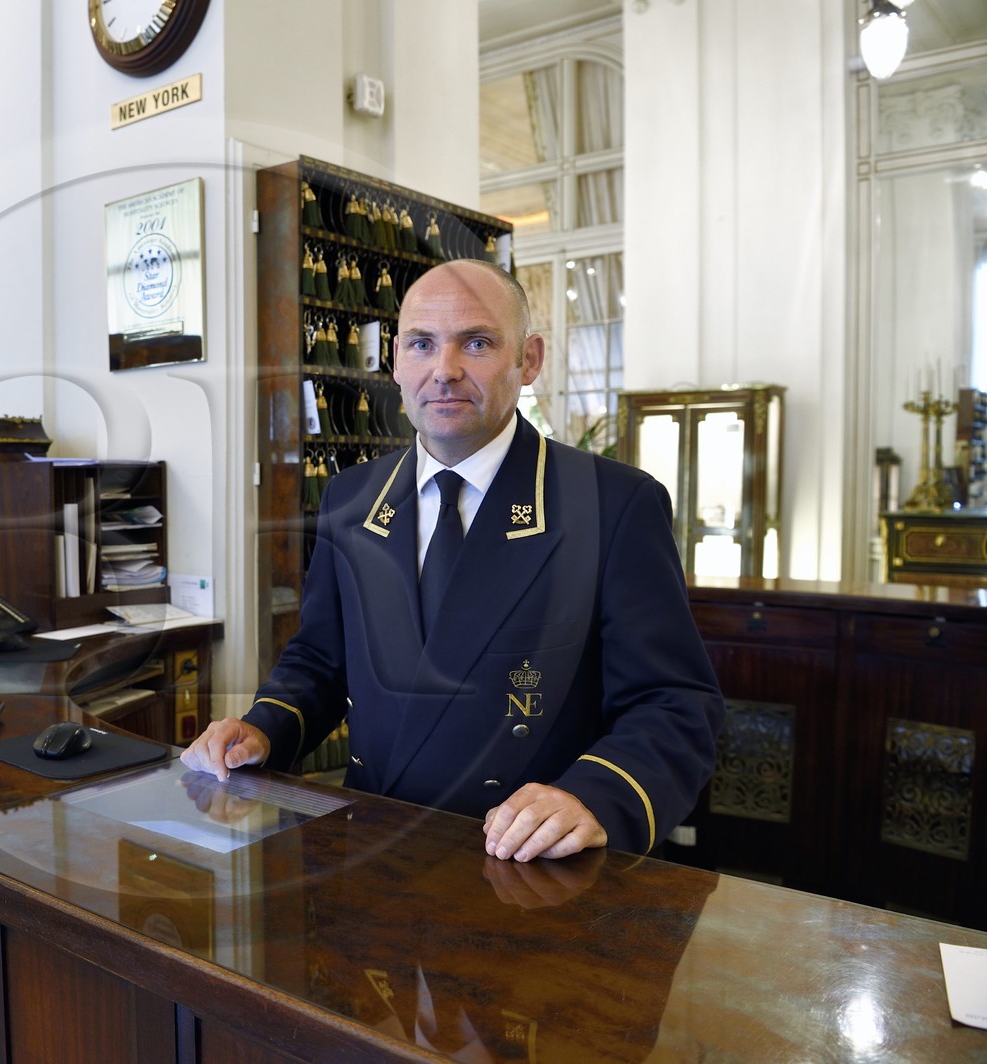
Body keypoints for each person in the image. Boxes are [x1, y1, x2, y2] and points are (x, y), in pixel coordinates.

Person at [182, 258, 723, 863]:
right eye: (421, 343)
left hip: (527, 864)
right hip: (373, 851)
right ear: (395, 361)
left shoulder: (613, 504)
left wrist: (595, 798)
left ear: (530, 360)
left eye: (478, 342)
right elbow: (321, 660)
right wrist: (264, 728)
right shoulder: (353, 498)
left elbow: (674, 703)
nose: (445, 370)